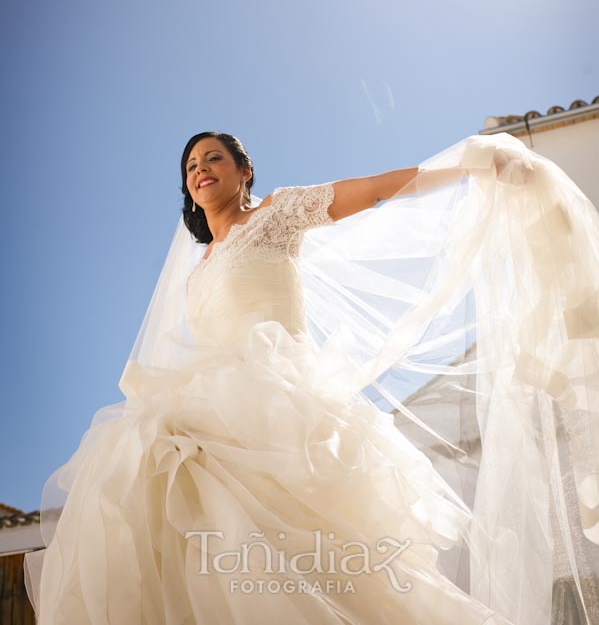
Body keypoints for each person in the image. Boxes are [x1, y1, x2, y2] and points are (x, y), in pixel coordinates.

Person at [23, 130, 599, 625]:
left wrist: (463, 168)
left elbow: (371, 190)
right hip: (209, 413)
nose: (200, 170)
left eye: (213, 159)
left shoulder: (276, 213)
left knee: (319, 566)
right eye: (191, 166)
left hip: (283, 407)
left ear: (244, 171)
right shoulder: (196, 271)